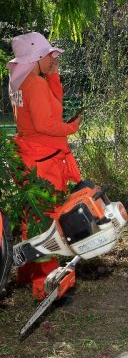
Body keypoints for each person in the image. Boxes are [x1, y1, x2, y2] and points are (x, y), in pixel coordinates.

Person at [7, 32, 82, 301]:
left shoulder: (20, 81)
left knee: (33, 218)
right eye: (48, 55)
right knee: (46, 223)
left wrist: (52, 71)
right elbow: (46, 124)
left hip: (31, 158)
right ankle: (46, 284)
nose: (53, 59)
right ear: (36, 57)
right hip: (44, 161)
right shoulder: (34, 84)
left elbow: (53, 104)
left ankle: (29, 275)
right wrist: (72, 127)